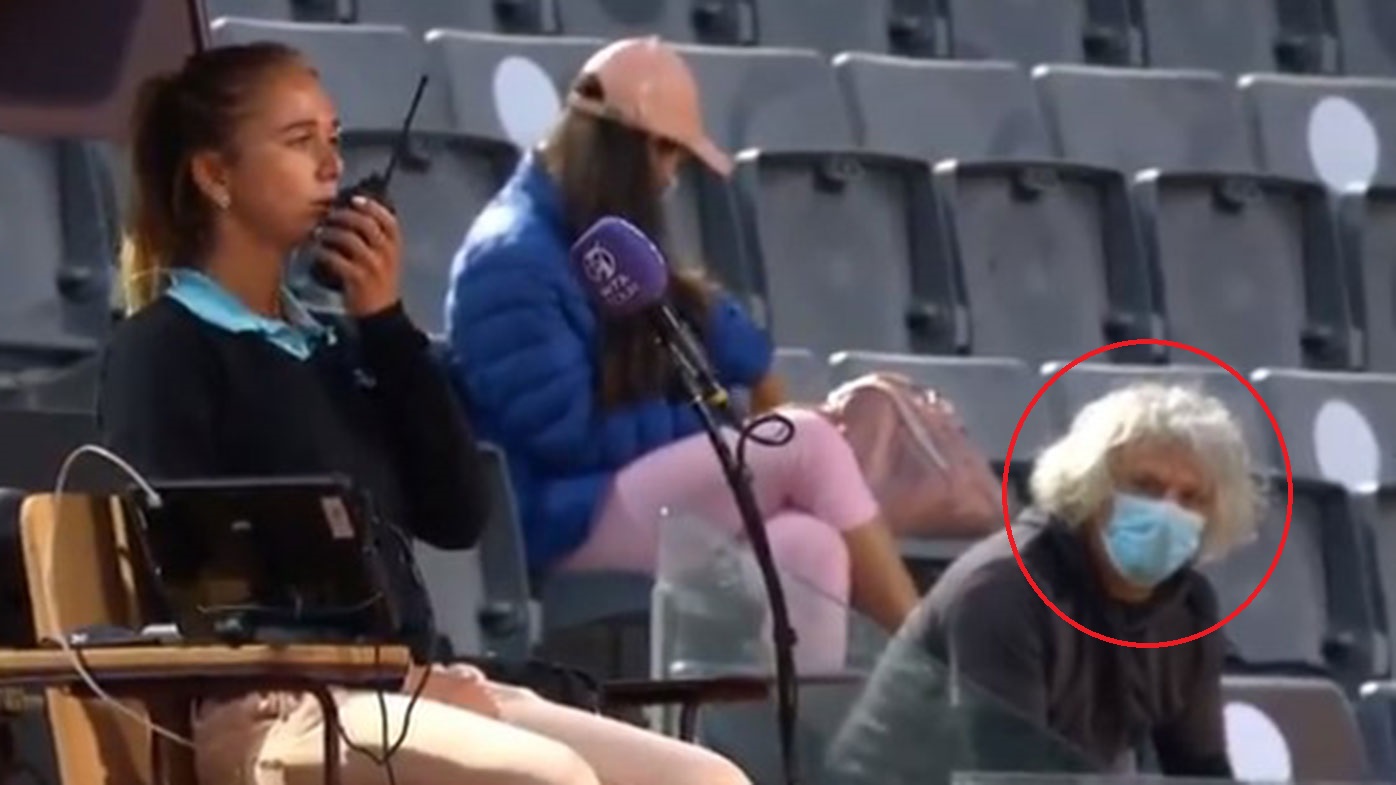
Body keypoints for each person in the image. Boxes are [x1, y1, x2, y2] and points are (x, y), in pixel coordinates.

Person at [100, 42, 749, 785]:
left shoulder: (338, 345)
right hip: (271, 705)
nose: (330, 166)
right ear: (215, 174)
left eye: (334, 139)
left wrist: (385, 325)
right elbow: (190, 573)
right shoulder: (165, 347)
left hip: (399, 683)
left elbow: (455, 513)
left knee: (706, 779)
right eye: (298, 141)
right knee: (551, 778)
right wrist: (375, 672)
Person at [444, 36, 919, 673]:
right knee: (802, 442)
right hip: (560, 519)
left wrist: (759, 376)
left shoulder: (603, 232)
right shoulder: (510, 259)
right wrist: (711, 428)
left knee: (809, 548)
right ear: (618, 144)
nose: (671, 175)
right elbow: (564, 437)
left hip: (620, 495)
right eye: (665, 150)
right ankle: (931, 666)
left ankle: (786, 763)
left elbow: (721, 330)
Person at [833, 383, 1261, 778]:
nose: (1168, 511)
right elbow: (1005, 768)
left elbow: (1200, 767)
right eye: (1146, 487)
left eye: (1191, 498)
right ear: (1092, 487)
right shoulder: (1003, 588)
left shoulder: (1188, 610)